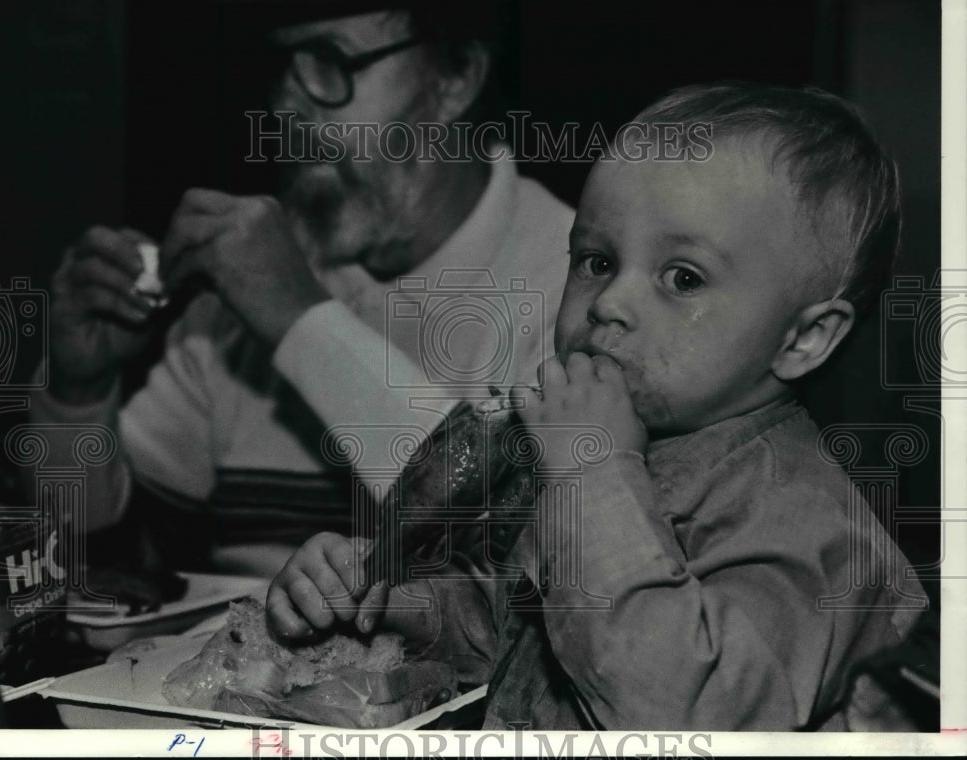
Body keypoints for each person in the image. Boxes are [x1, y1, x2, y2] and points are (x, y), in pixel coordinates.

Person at [267, 83, 928, 730]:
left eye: (683, 278)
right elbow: (535, 635)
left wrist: (592, 479)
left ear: (804, 338)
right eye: (596, 261)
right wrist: (399, 608)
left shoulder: (810, 532)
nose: (610, 302)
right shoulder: (615, 449)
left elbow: (683, 711)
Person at [28, 0, 575, 578]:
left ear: (456, 77)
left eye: (330, 59)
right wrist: (78, 398)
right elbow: (95, 561)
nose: (285, 108)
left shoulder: (579, 284)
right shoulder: (248, 282)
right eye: (280, 64)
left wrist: (301, 322)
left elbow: (521, 576)